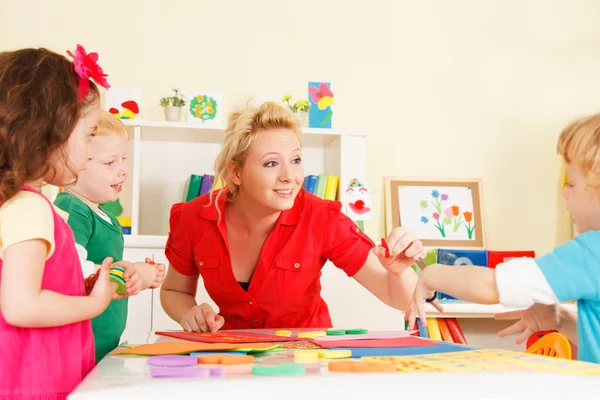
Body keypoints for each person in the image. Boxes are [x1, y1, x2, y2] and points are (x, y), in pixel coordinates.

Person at [160, 101, 432, 332]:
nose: (290, 176)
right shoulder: (194, 218)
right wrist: (189, 313)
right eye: (271, 163)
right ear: (235, 173)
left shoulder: (322, 219)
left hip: (306, 360)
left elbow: (399, 298)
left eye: (296, 160)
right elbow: (175, 292)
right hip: (232, 357)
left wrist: (397, 271)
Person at [406, 113, 600, 363]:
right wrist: (560, 320)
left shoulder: (589, 253)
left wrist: (433, 274)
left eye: (571, 184)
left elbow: (492, 285)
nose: (564, 192)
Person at [0, 45, 114, 399]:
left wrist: (80, 286)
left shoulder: (23, 204)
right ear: (48, 133)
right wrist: (94, 304)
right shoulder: (29, 208)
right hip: (32, 380)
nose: (92, 151)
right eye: (89, 134)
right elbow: (21, 305)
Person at [54, 111, 166, 362]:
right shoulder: (73, 209)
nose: (123, 170)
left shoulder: (106, 217)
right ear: (75, 163)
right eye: (109, 163)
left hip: (101, 343)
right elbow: (71, 269)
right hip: (80, 344)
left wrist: (140, 276)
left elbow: (109, 270)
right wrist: (129, 272)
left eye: (123, 159)